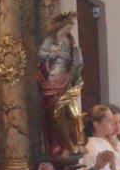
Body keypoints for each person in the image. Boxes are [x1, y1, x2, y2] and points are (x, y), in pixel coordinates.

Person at [36, 11, 86, 156]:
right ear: (60, 27)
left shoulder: (70, 40)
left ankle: (79, 142)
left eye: (71, 28)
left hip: (67, 78)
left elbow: (75, 58)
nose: (69, 31)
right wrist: (57, 53)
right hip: (52, 79)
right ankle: (66, 145)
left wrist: (76, 62)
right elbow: (41, 54)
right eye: (68, 28)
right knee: (57, 115)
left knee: (75, 114)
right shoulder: (50, 40)